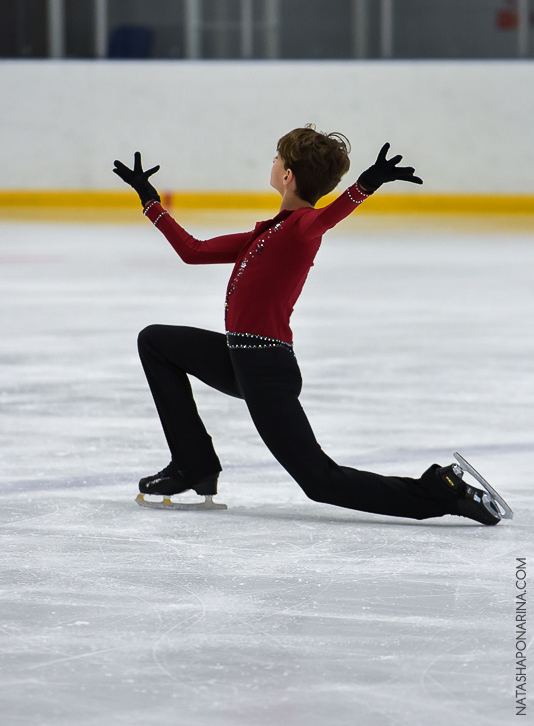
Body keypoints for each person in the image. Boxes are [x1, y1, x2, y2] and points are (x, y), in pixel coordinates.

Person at [113, 125, 510, 525]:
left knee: (320, 481)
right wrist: (150, 201)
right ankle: (192, 465)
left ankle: (440, 492)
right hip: (239, 360)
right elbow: (193, 252)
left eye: (277, 158)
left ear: (287, 175)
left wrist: (364, 187)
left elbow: (326, 219)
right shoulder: (268, 231)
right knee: (156, 342)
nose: (272, 162)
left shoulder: (302, 228)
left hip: (265, 370)